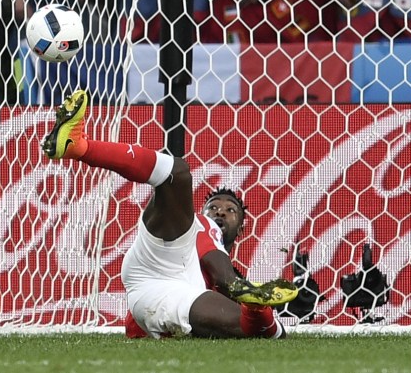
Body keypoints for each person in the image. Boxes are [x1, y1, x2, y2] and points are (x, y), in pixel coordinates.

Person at [42, 88, 298, 339]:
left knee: (254, 329)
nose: (220, 211)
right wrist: (238, 287)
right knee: (176, 173)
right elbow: (222, 274)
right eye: (213, 207)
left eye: (231, 210)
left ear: (242, 228)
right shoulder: (203, 229)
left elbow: (271, 331)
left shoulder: (217, 279)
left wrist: (258, 308)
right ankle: (79, 146)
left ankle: (253, 308)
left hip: (168, 292)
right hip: (165, 259)